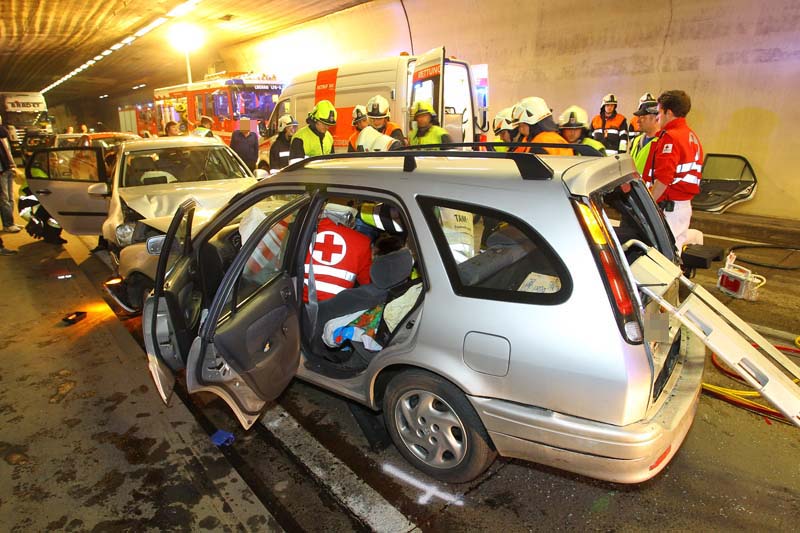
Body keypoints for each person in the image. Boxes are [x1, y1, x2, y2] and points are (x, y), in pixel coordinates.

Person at [643, 90, 704, 252]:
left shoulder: (671, 137)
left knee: (663, 255)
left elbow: (663, 179)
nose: (657, 117)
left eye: (659, 112)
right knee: (674, 251)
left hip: (669, 209)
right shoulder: (691, 136)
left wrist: (647, 205)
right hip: (682, 207)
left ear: (668, 113)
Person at [303, 203, 372, 302]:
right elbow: (367, 282)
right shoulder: (362, 241)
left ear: (322, 214)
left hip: (302, 302)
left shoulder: (304, 233)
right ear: (350, 219)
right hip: (337, 306)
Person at [628, 97, 660, 174]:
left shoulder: (663, 143)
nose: (638, 121)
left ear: (655, 119)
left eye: (642, 118)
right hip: (635, 181)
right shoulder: (636, 140)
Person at [0, 116, 21, 233]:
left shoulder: (3, 136)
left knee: (11, 198)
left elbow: (8, 152)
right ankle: (7, 224)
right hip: (1, 170)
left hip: (8, 167)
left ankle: (11, 222)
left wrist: (13, 166)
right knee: (4, 199)